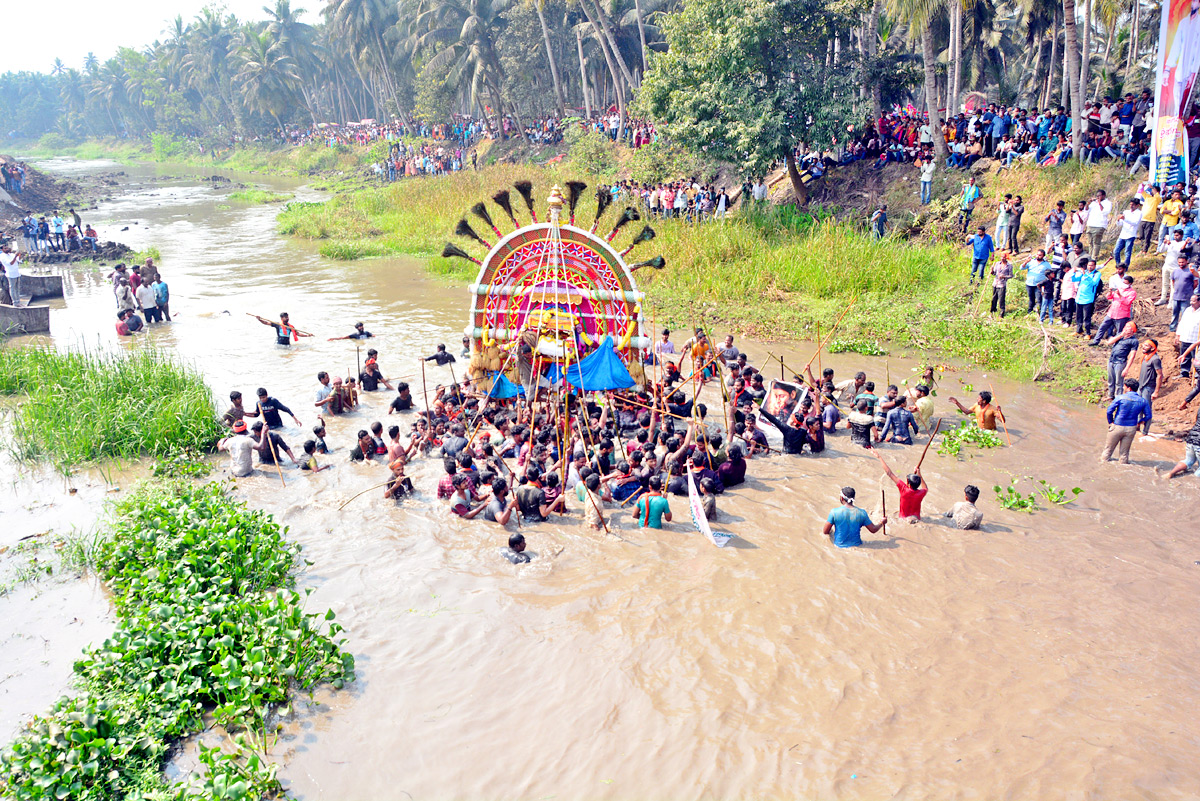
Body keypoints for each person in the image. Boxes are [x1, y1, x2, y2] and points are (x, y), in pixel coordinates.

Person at [1101, 378, 1152, 464]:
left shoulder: (1120, 398)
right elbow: (1149, 416)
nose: (1124, 388)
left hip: (1117, 426)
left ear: (1129, 388)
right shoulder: (1143, 401)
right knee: (1124, 454)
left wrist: (1111, 422)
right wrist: (1140, 422)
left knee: (1108, 451)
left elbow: (1109, 411)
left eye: (1124, 387)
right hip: (1131, 428)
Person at [873, 450, 928, 521]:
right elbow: (925, 487)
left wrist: (879, 457)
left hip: (903, 519)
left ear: (908, 482)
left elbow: (889, 473)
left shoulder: (904, 489)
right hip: (916, 519)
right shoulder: (921, 493)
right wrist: (919, 474)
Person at [822, 487, 887, 548]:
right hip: (857, 545)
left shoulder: (834, 512)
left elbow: (825, 531)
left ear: (842, 498)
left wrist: (831, 532)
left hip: (839, 546)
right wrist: (882, 523)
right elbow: (873, 529)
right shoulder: (862, 513)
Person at [1126, 338, 1163, 434]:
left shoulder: (1155, 359)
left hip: (1148, 388)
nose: (1143, 346)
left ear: (1152, 348)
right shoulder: (1145, 357)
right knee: (1138, 407)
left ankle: (1145, 432)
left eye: (1146, 345)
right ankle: (1137, 428)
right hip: (1141, 387)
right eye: (1144, 344)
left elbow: (1160, 375)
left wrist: (1156, 391)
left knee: (1147, 410)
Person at [1104, 322, 1140, 400]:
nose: (1125, 328)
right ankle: (1110, 396)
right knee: (1110, 380)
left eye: (1128, 327)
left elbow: (1132, 356)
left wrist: (1126, 368)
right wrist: (1121, 335)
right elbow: (1110, 342)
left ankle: (1118, 398)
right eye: (1125, 326)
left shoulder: (1134, 341)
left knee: (1119, 382)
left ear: (1132, 331)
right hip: (1111, 360)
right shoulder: (1120, 335)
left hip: (1120, 362)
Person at [1175, 293, 1200, 380]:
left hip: (1195, 339)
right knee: (1185, 356)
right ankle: (1184, 372)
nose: (1191, 302)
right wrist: (1178, 334)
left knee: (1196, 357)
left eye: (1194, 301)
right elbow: (1182, 322)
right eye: (1191, 300)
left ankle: (1197, 375)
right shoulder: (1188, 310)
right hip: (1186, 337)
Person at [1113, 199, 1143, 269]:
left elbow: (1135, 223)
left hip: (1131, 235)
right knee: (1116, 251)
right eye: (1130, 204)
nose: (1131, 206)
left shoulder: (1139, 213)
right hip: (1122, 234)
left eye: (1133, 205)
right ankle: (1119, 266)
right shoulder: (1126, 212)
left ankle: (1125, 268)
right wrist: (1118, 219)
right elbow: (1120, 224)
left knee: (1127, 252)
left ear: (1137, 205)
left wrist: (1124, 219)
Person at [1085, 189, 1113, 256]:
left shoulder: (1108, 203)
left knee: (1096, 243)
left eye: (1099, 196)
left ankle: (1094, 257)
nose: (1097, 197)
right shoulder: (1094, 203)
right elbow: (1086, 210)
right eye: (1097, 196)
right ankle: (1090, 256)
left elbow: (1104, 212)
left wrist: (1099, 203)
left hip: (1099, 225)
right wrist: (1088, 203)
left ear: (1104, 195)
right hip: (1090, 224)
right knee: (1090, 242)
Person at [990, 251, 1013, 317]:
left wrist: (1004, 276)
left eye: (1004, 257)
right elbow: (994, 273)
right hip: (995, 283)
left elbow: (1011, 275)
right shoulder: (997, 264)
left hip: (1002, 284)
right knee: (994, 297)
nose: (1002, 258)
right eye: (1001, 257)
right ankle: (993, 310)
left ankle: (1002, 312)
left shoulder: (1009, 266)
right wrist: (992, 271)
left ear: (1006, 258)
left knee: (1001, 298)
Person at [0, 243, 22, 307]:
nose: (7, 249)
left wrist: (19, 255)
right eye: (5, 248)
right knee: (12, 288)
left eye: (7, 248)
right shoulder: (2, 256)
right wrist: (15, 256)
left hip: (17, 273)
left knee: (17, 288)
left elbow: (19, 260)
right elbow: (10, 263)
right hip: (11, 274)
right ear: (2, 250)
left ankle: (18, 301)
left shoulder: (11, 254)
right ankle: (15, 302)